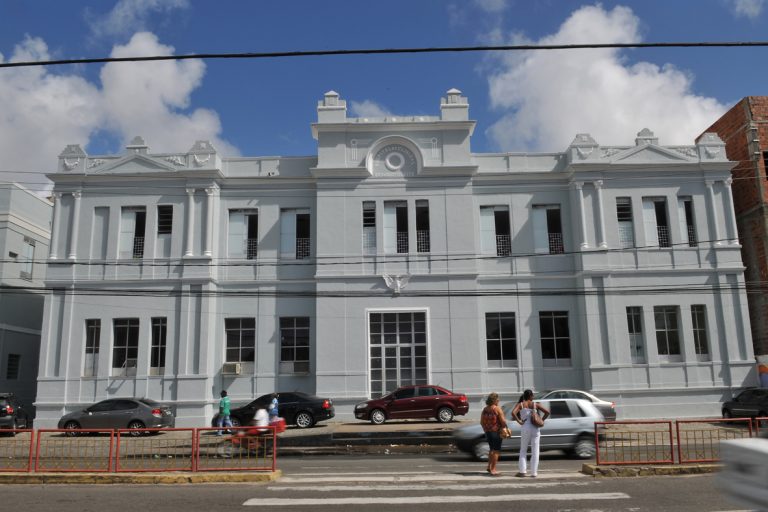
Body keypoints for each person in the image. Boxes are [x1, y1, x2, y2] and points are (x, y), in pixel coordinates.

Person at [511, 389, 550, 478]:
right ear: (531, 396)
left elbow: (513, 413)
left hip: (525, 427)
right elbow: (547, 412)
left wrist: (520, 421)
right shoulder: (535, 404)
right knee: (535, 451)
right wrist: (541, 420)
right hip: (535, 428)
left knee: (523, 450)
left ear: (524, 396)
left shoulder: (520, 404)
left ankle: (522, 471)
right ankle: (534, 473)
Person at [480, 392, 507, 476]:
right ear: (494, 400)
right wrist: (505, 427)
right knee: (496, 451)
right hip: (496, 432)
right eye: (497, 399)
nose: (498, 400)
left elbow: (481, 422)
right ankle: (493, 469)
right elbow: (503, 421)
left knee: (491, 449)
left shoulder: (485, 409)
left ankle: (489, 466)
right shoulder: (497, 409)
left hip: (488, 432)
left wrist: (485, 429)